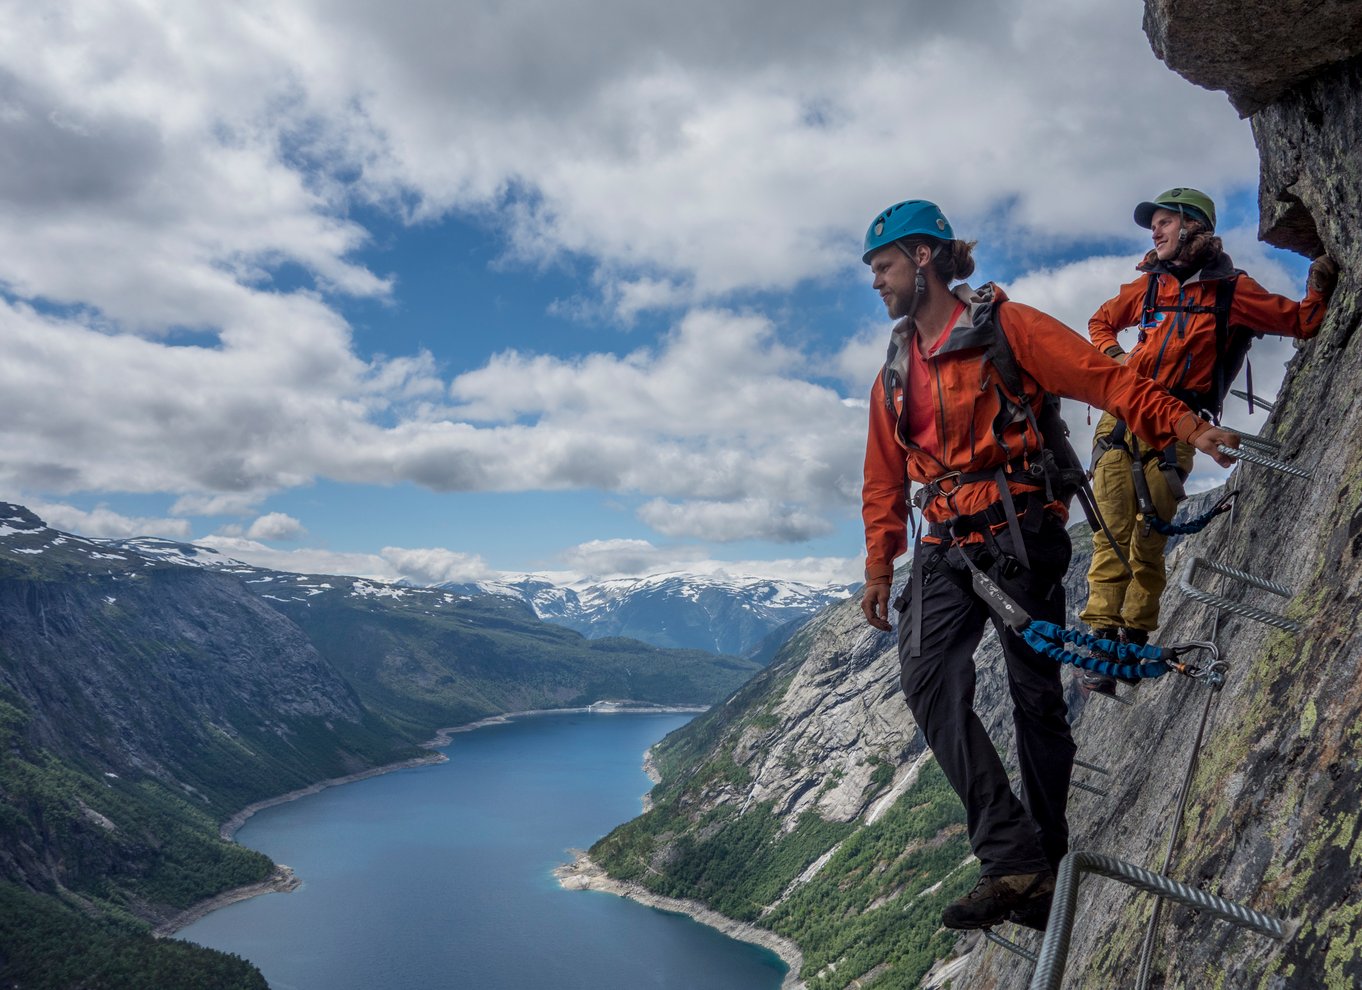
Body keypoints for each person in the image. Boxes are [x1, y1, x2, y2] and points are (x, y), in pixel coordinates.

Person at [858, 199, 1239, 931]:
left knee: (1035, 700)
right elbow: (882, 476)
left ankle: (1045, 863)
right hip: (943, 541)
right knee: (927, 678)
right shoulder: (894, 373)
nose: (877, 282)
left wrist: (1187, 424)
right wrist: (881, 566)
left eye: (884, 267)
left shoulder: (1010, 327)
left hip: (1019, 529)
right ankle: (1013, 856)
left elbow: (1107, 382)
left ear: (925, 257)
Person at [1078, 187, 1337, 695]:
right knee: (1111, 535)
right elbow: (1100, 321)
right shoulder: (1148, 287)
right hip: (1123, 420)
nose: (1155, 232)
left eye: (1164, 222)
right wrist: (1117, 359)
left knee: (1147, 538)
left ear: (1194, 226)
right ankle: (1101, 653)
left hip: (1178, 429)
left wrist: (1320, 281)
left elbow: (1301, 322)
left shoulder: (1231, 291)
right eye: (1153, 225)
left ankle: (1129, 642)